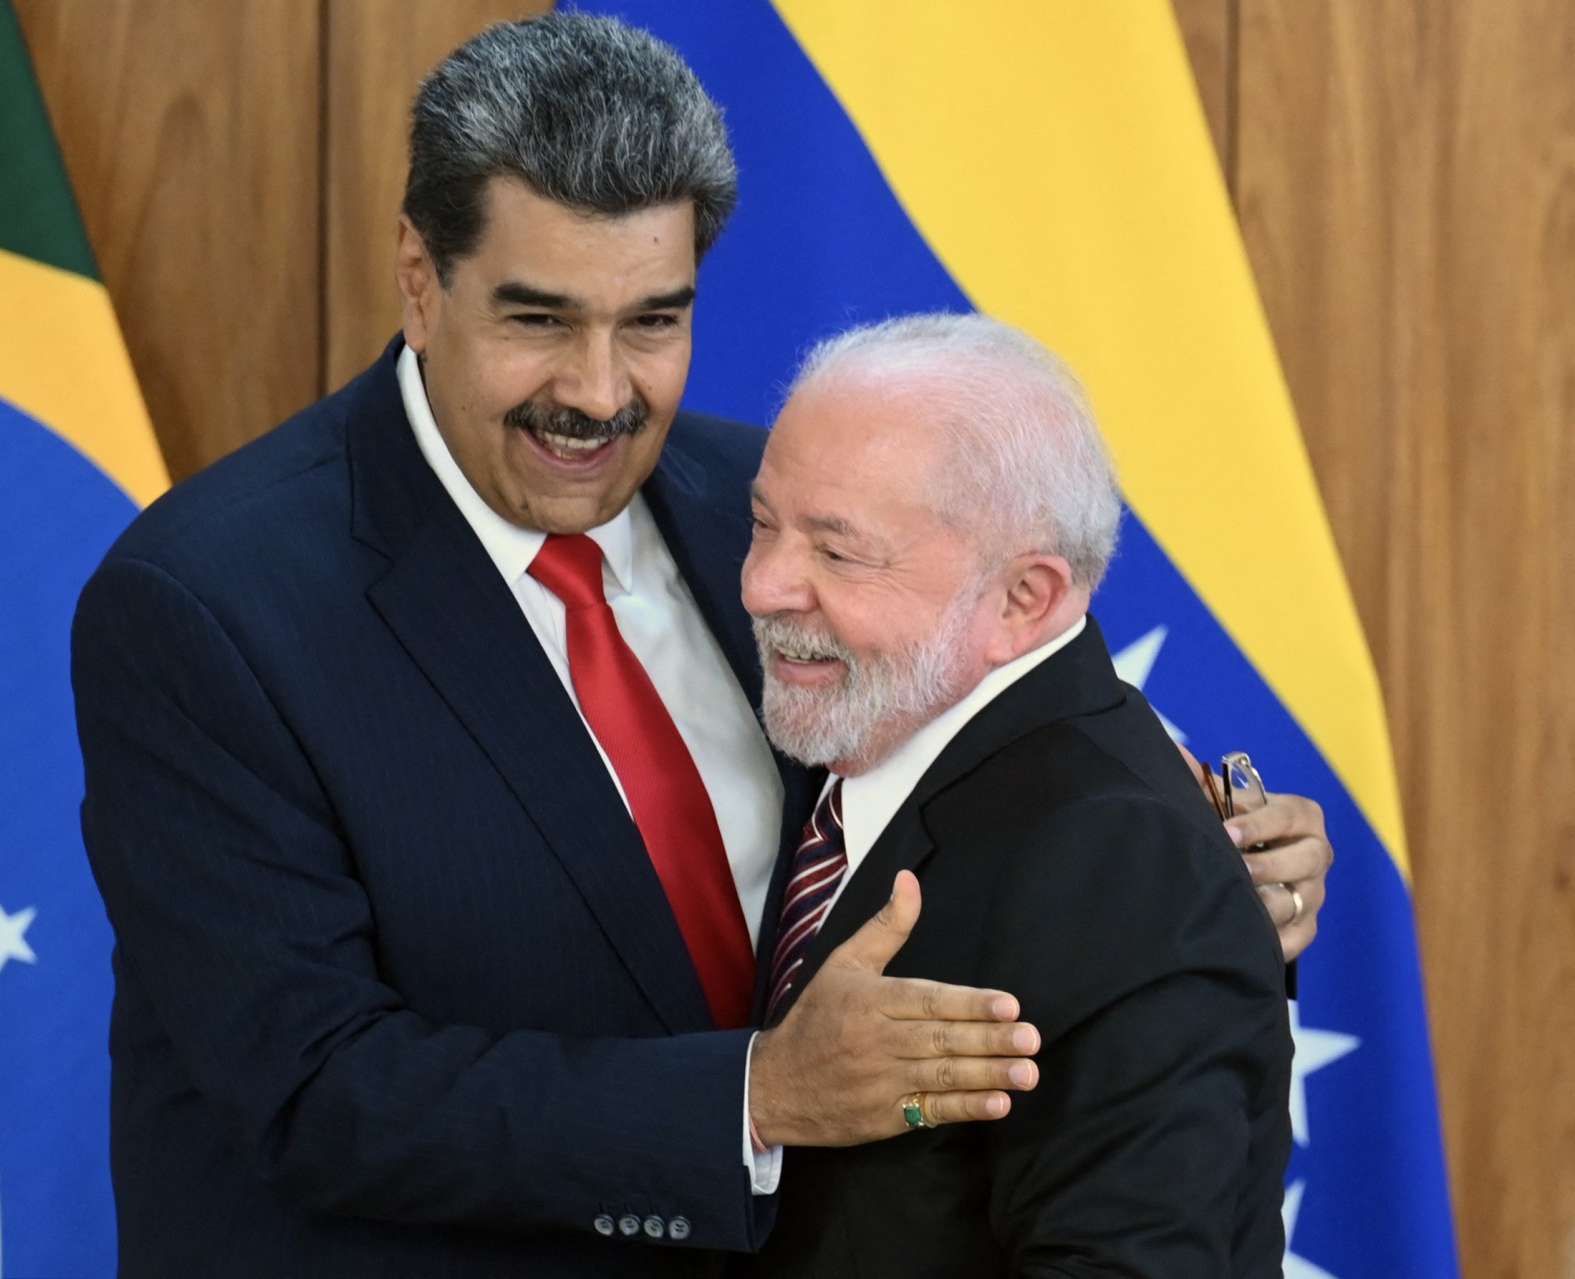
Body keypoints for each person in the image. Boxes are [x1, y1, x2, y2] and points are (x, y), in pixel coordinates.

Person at [70, 14, 1326, 1276]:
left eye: (654, 321)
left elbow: (1012, 715)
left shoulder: (769, 503)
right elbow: (312, 1088)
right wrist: (755, 1100)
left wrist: (1191, 859)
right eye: (540, 320)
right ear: (418, 274)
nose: (601, 393)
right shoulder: (205, 604)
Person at [740, 313, 1291, 1276]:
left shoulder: (1119, 863)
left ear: (1024, 599)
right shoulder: (864, 726)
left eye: (839, 553)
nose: (763, 584)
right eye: (761, 524)